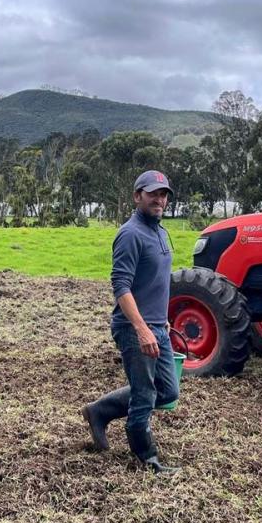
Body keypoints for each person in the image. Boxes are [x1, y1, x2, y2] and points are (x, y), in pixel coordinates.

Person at [81, 170, 181, 474]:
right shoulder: (130, 234)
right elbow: (121, 286)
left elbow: (155, 283)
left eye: (164, 194)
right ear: (137, 196)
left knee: (167, 391)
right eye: (152, 193)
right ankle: (146, 457)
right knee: (145, 393)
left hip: (157, 327)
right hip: (134, 328)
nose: (159, 199)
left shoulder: (161, 232)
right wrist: (141, 328)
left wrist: (162, 322)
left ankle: (99, 411)